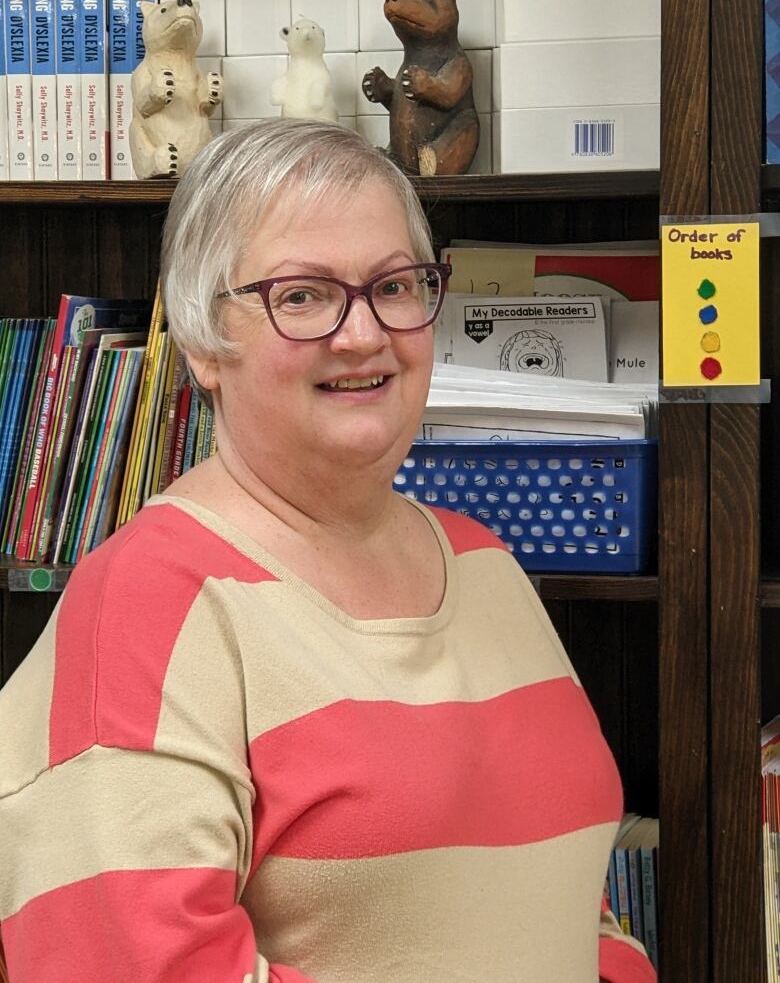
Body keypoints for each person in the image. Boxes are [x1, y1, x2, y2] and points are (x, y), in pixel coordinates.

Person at [0, 119, 656, 983]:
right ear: (203, 342)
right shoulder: (142, 604)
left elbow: (565, 894)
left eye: (395, 285)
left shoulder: (483, 562)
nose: (362, 334)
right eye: (302, 296)